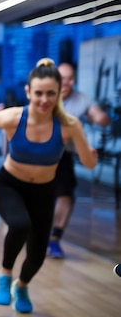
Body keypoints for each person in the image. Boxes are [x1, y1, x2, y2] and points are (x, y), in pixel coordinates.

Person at [0, 58, 97, 313]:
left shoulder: (69, 125)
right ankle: (4, 275)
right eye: (39, 93)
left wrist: (90, 156)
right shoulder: (14, 117)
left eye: (50, 94)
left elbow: (87, 162)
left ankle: (21, 285)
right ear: (28, 92)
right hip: (8, 186)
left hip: (43, 193)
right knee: (20, 224)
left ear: (59, 93)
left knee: (37, 254)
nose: (44, 100)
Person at [48, 62, 109, 258]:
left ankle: (55, 239)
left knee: (66, 195)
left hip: (63, 154)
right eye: (63, 78)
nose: (67, 82)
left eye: (71, 78)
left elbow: (96, 113)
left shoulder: (82, 99)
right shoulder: (44, 94)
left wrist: (100, 118)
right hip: (38, 153)